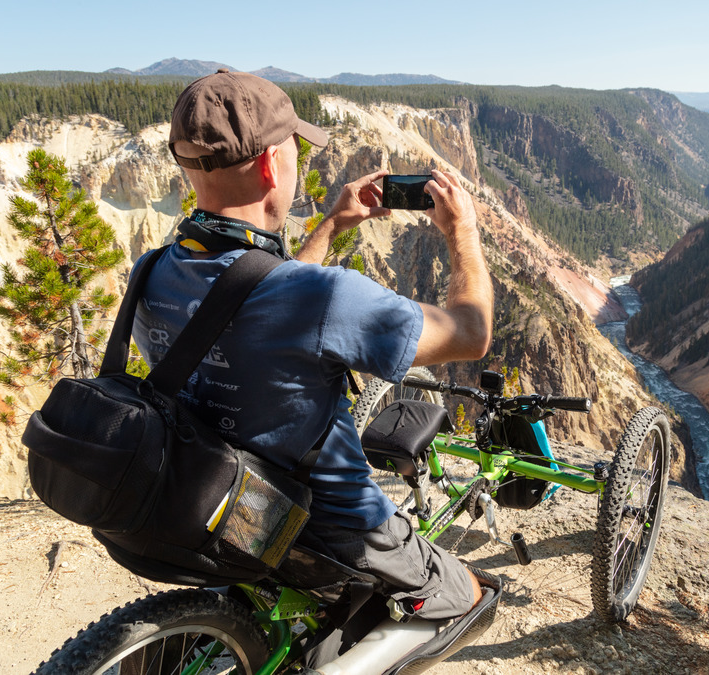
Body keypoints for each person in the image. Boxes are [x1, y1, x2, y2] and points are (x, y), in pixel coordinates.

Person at [131, 69, 493, 623]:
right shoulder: (325, 297)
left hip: (220, 507)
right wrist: (462, 233)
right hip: (331, 528)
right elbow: (471, 333)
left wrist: (331, 226)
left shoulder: (151, 271)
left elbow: (251, 301)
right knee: (473, 597)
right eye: (295, 149)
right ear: (270, 164)